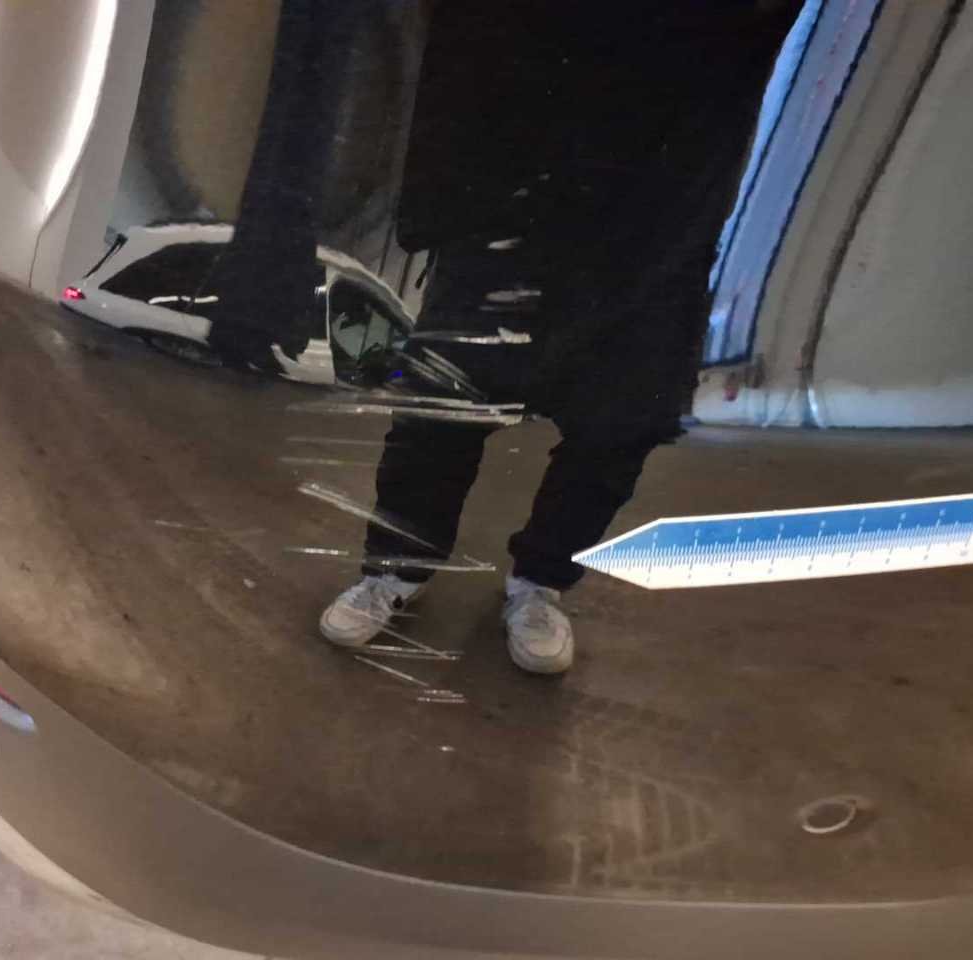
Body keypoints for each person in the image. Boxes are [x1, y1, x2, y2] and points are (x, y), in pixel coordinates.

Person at [320, 0, 804, 673]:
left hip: (657, 211)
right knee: (443, 407)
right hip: (510, 187)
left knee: (622, 424)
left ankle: (540, 581)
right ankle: (396, 568)